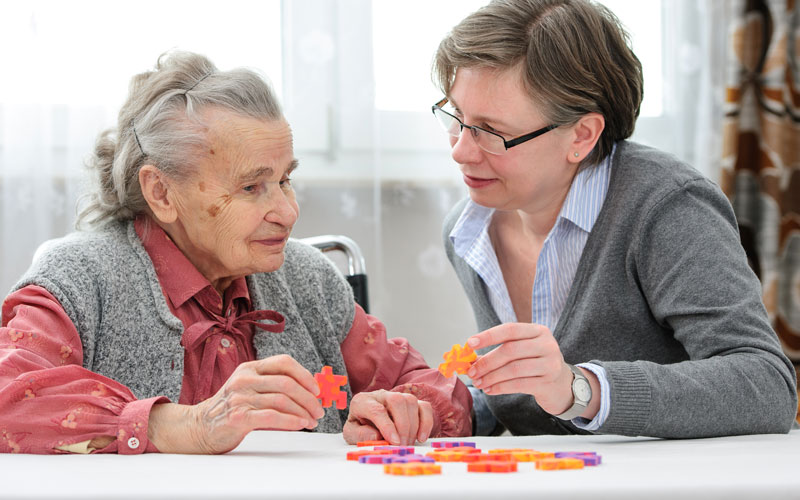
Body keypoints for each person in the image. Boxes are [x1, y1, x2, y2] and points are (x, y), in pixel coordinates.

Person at [0, 51, 471, 455]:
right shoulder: (81, 277)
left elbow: (440, 390)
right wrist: (186, 426)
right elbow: (8, 394)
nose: (288, 212)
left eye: (285, 179)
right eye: (251, 187)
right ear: (161, 192)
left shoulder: (306, 277)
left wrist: (405, 412)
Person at [432, 0, 797, 437]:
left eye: (492, 132)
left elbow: (766, 386)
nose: (460, 150)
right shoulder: (468, 229)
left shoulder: (667, 208)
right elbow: (529, 400)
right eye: (456, 117)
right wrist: (443, 409)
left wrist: (581, 389)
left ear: (582, 136)